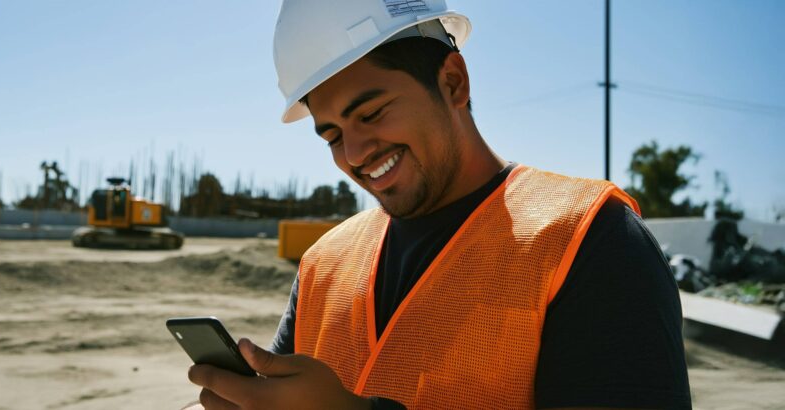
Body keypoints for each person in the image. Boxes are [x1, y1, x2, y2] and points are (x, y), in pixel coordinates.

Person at [186, 1, 691, 408]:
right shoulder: (323, 264)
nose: (356, 154)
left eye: (373, 112)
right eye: (333, 135)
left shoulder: (591, 241)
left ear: (453, 81)